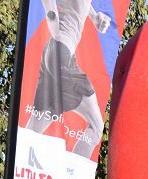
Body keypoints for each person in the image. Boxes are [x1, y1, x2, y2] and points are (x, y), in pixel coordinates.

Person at [25, 0, 113, 159]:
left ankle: (19, 164)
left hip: (53, 52)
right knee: (96, 126)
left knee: (36, 125)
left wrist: (94, 17)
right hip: (62, 53)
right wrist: (53, 24)